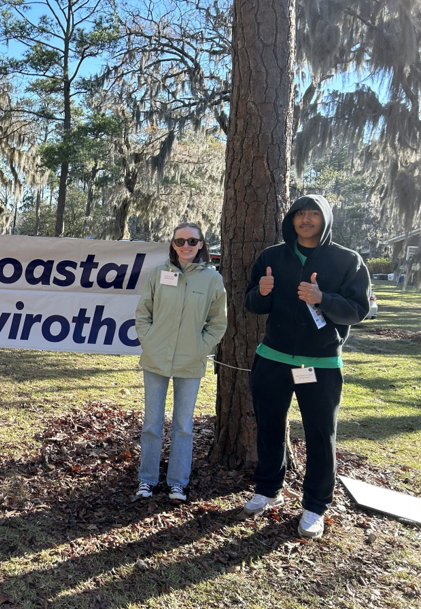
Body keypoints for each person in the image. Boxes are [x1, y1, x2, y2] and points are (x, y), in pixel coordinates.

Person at [243, 195, 370, 539]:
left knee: (320, 435)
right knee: (269, 428)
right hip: (273, 359)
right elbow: (251, 302)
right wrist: (262, 293)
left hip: (322, 363)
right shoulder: (272, 256)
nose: (306, 220)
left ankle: (315, 506)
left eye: (314, 214)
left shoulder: (347, 260)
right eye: (301, 214)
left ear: (325, 219)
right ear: (292, 219)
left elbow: (357, 310)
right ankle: (268, 490)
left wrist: (322, 299)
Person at [134, 222, 227, 502]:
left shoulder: (212, 280)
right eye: (179, 241)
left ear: (201, 244)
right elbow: (143, 314)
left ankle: (177, 482)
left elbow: (218, 322)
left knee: (183, 425)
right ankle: (147, 480)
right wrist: (149, 340)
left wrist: (201, 347)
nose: (186, 246)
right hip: (155, 360)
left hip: (190, 361)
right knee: (152, 423)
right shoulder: (158, 274)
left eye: (192, 241)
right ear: (172, 245)